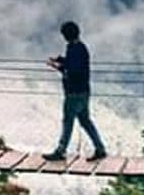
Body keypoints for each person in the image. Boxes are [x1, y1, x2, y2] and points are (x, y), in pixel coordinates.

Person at [43, 21, 107, 161]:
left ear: (66, 35)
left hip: (73, 93)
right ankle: (100, 148)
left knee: (68, 121)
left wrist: (56, 66)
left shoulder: (73, 49)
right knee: (85, 121)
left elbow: (71, 71)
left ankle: (61, 151)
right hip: (84, 91)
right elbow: (74, 64)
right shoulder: (80, 47)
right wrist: (60, 60)